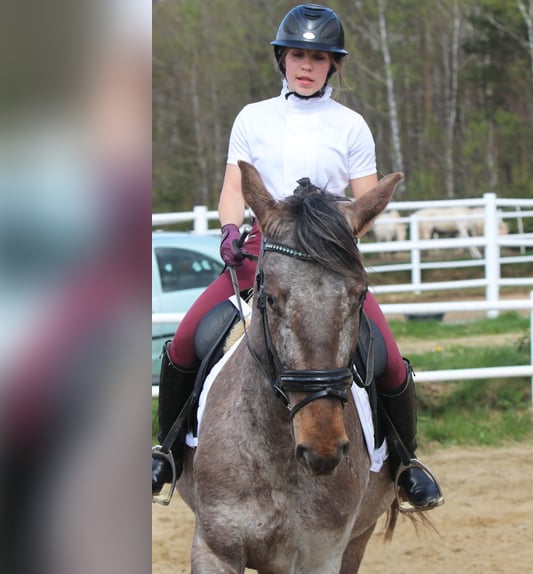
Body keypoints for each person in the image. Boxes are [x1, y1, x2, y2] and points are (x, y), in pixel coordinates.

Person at [152, 3, 442, 511]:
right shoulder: (253, 118)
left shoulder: (351, 125)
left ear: (333, 65)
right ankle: (169, 452)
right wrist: (228, 230)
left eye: (318, 57)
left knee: (390, 362)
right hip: (263, 252)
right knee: (182, 343)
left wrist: (341, 240)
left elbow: (364, 199)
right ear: (282, 59)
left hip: (328, 259)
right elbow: (232, 189)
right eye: (297, 55)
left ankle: (405, 463)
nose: (306, 66)